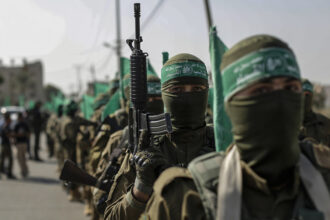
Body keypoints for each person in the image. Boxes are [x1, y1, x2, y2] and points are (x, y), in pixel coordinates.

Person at [141, 34, 330, 220]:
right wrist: (139, 189)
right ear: (230, 104)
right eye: (261, 90)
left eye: (291, 88)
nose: (278, 101)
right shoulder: (187, 197)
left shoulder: (323, 176)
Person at [104, 53, 215, 220]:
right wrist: (140, 189)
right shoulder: (147, 147)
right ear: (165, 94)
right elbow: (111, 217)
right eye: (176, 89)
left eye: (197, 89)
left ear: (206, 91)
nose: (187, 96)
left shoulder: (222, 142)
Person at [91, 75, 165, 217]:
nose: (153, 103)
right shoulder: (120, 140)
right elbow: (100, 183)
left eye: (158, 99)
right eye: (148, 99)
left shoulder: (175, 139)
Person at [60, 100, 98, 201]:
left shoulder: (67, 119)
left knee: (71, 169)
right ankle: (73, 192)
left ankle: (72, 190)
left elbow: (84, 122)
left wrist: (93, 123)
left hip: (69, 148)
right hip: (70, 149)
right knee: (71, 170)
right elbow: (72, 137)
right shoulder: (70, 122)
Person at [300, 78, 330, 146]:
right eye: (302, 94)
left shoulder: (325, 123)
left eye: (307, 95)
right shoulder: (287, 125)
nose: (305, 98)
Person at [14, 112, 30, 178]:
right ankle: (25, 170)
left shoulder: (18, 125)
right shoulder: (24, 124)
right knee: (22, 158)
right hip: (23, 143)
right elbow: (29, 134)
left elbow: (15, 134)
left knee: (20, 158)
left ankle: (23, 171)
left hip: (20, 143)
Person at [0, 113, 15, 179]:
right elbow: (8, 135)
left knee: (3, 160)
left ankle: (6, 172)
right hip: (5, 145)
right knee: (9, 159)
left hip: (4, 144)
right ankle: (9, 173)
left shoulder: (5, 125)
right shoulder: (5, 126)